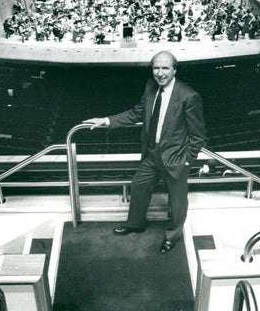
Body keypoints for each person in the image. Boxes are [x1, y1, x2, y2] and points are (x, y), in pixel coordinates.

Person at [84, 51, 207, 254]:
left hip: (175, 158)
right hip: (151, 153)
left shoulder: (189, 96)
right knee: (138, 185)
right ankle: (135, 224)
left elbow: (198, 135)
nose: (160, 73)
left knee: (177, 203)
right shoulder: (151, 87)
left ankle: (171, 236)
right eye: (156, 68)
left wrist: (186, 161)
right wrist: (105, 121)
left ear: (174, 69)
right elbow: (136, 113)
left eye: (165, 68)